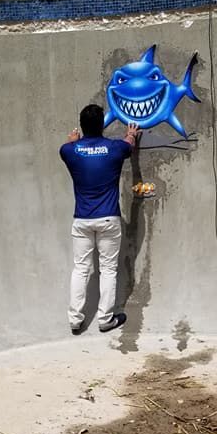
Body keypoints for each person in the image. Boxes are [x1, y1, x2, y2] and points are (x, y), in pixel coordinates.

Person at [60, 104, 141, 335]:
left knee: (81, 269)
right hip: (108, 220)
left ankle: (75, 320)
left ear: (82, 126)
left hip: (82, 220)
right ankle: (106, 320)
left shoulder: (69, 150)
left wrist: (74, 140)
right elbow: (129, 145)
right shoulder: (114, 148)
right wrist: (131, 134)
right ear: (102, 125)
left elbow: (67, 148)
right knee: (107, 269)